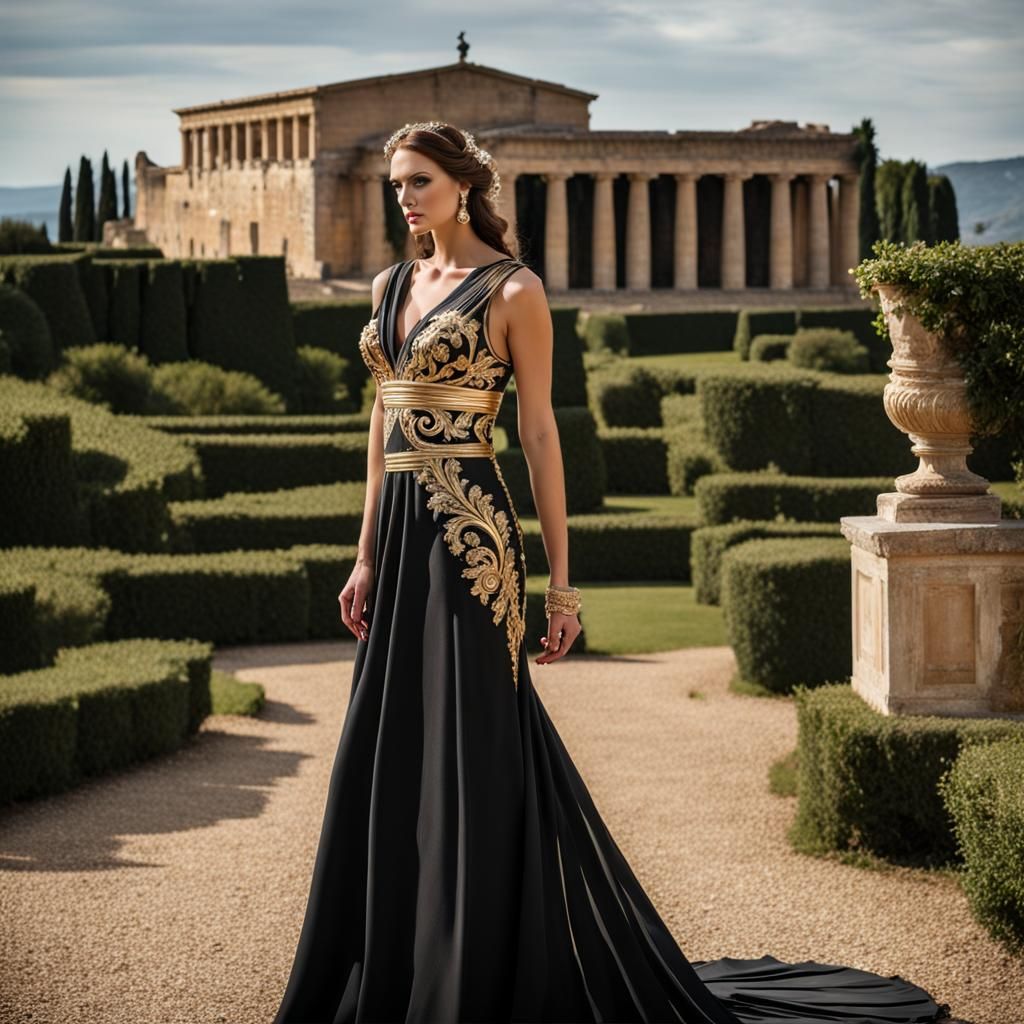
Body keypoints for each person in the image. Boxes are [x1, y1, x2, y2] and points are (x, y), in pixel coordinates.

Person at [272, 121, 951, 1024]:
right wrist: (362, 554)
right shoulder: (391, 281)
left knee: (477, 748)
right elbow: (383, 422)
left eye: (418, 181)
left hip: (473, 536)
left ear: (464, 187)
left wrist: (561, 581)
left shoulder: (512, 289)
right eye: (397, 183)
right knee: (390, 746)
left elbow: (540, 433)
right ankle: (397, 964)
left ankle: (478, 971)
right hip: (398, 537)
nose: (403, 196)